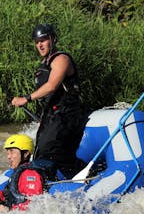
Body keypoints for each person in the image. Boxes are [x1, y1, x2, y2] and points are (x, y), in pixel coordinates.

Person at [11, 23, 88, 179]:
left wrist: (26, 99)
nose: (39, 44)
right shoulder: (44, 64)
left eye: (43, 40)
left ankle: (85, 173)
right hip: (52, 114)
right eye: (37, 41)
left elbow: (52, 86)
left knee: (49, 149)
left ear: (52, 39)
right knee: (39, 152)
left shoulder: (62, 59)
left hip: (68, 113)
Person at [0, 134, 47, 213]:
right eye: (7, 153)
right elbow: (6, 197)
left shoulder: (30, 175)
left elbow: (34, 204)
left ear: (26, 153)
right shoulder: (18, 173)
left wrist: (10, 210)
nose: (9, 157)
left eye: (12, 152)